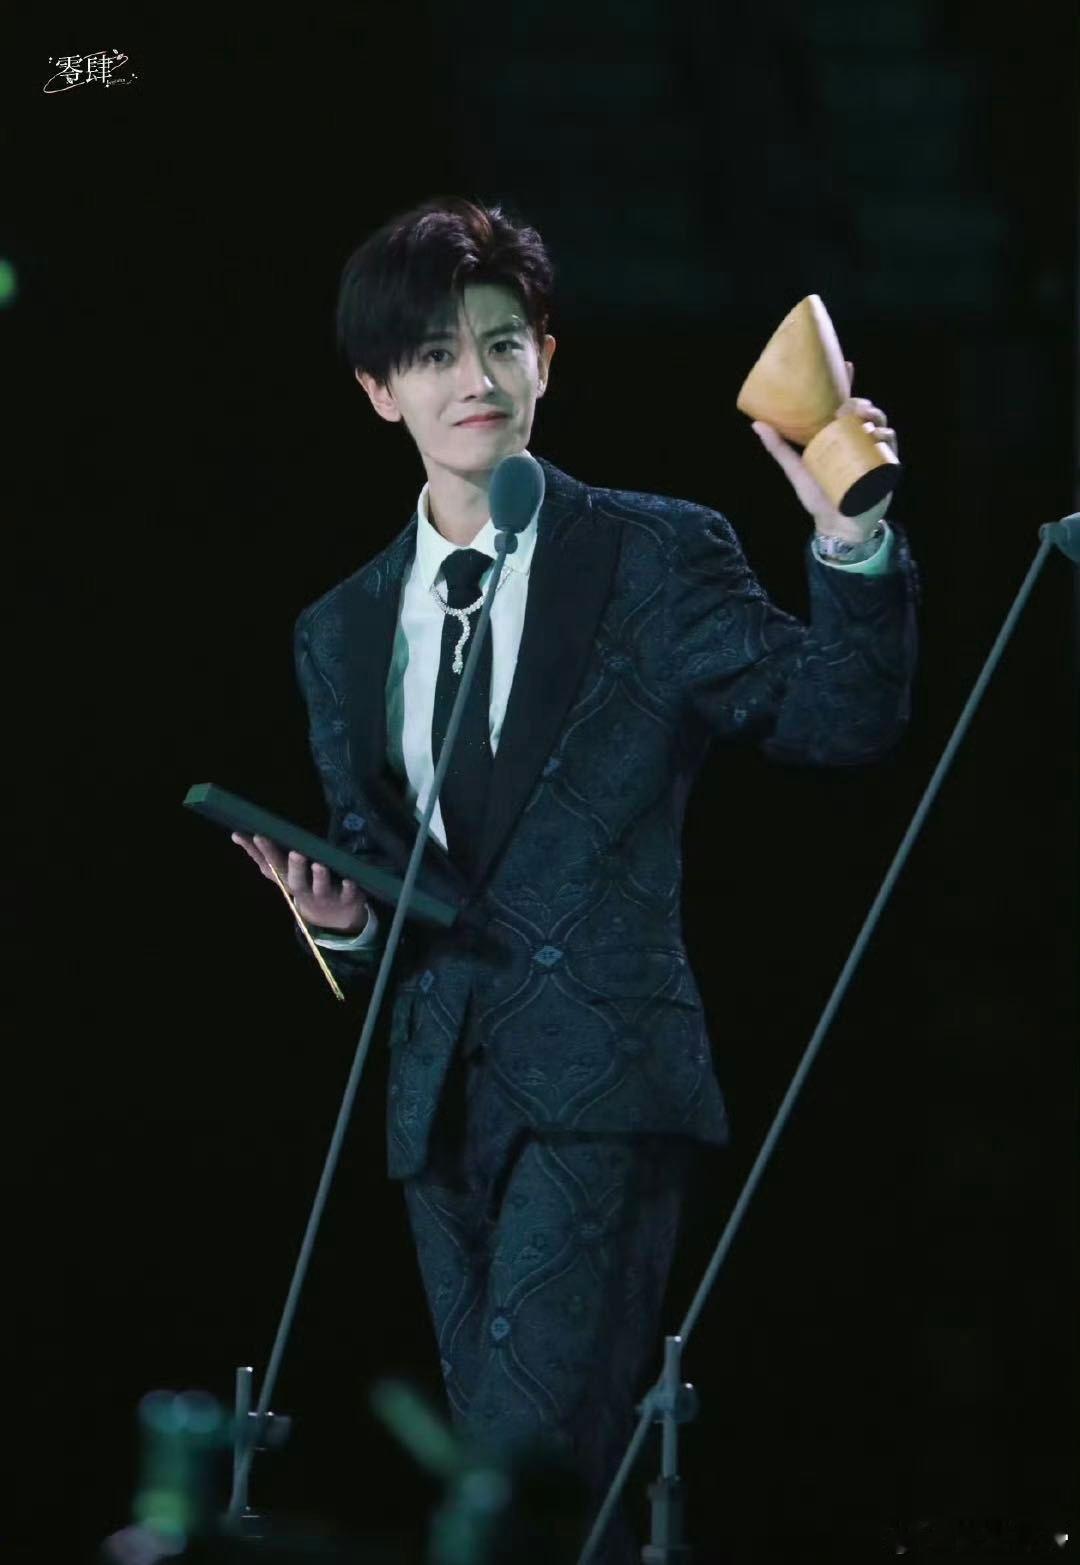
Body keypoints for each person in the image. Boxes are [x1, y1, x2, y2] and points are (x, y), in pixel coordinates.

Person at [232, 194, 918, 1563]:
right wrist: (345, 927)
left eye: (502, 342)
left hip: (603, 1079)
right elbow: (386, 883)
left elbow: (836, 719)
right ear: (380, 391)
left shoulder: (652, 553)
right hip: (436, 1111)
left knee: (519, 1466)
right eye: (433, 354)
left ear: (546, 356)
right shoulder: (338, 626)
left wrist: (851, 543)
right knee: (537, 1498)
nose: (473, 378)